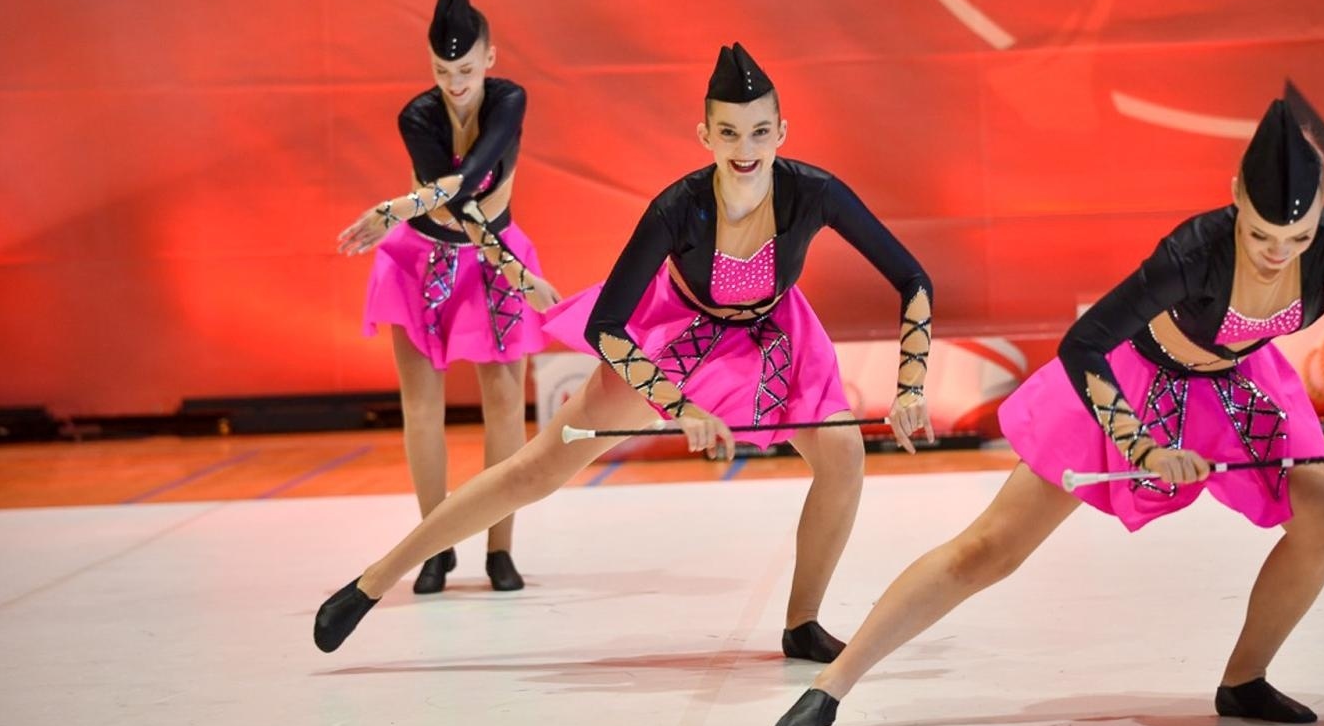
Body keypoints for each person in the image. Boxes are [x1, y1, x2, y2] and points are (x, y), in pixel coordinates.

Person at [771, 99, 1324, 726]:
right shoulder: (1195, 251)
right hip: (1131, 380)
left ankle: (1244, 679)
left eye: (1298, 234)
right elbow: (1084, 344)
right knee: (991, 547)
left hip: (1241, 385)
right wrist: (1144, 444)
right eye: (1261, 233)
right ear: (1235, 197)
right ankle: (833, 686)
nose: (1279, 251)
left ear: (1323, 213)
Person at [316, 42, 935, 661]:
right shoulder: (676, 206)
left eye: (759, 132)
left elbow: (913, 281)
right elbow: (608, 326)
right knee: (537, 469)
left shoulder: (815, 192)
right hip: (672, 339)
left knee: (844, 456)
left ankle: (802, 624)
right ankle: (373, 580)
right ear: (705, 135)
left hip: (778, 341)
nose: (745, 149)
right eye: (729, 133)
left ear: (781, 132)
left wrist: (910, 388)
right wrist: (683, 406)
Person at [336, 0, 560, 595]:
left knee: (505, 401)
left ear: (489, 58)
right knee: (422, 407)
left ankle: (500, 546)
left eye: (465, 67)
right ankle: (433, 545)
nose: (455, 82)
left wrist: (394, 205)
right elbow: (458, 202)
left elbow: (467, 179)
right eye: (442, 69)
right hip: (421, 261)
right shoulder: (418, 116)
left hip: (493, 259)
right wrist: (516, 273)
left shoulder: (509, 100)